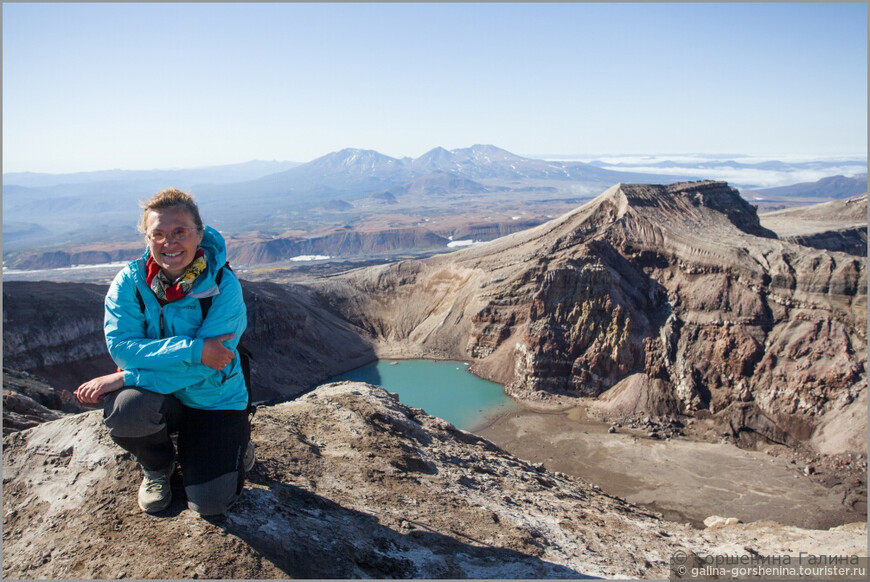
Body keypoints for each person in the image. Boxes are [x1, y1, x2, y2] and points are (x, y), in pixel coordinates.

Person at [75, 188, 253, 516]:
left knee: (211, 504)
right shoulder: (130, 283)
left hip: (213, 398)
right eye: (158, 234)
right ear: (147, 238)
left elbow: (211, 363)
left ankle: (236, 447)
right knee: (126, 408)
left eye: (180, 232)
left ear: (199, 235)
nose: (169, 243)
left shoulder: (222, 285)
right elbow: (124, 350)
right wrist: (194, 348)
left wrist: (130, 376)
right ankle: (158, 467)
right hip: (163, 397)